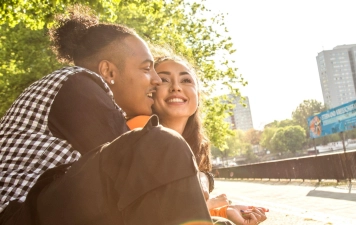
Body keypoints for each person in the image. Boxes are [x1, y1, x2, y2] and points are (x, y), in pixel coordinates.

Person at [0, 5, 212, 225]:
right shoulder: (78, 85)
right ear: (109, 72)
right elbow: (146, 169)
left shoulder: (81, 92)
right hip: (14, 214)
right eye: (146, 68)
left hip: (37, 211)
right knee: (162, 143)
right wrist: (204, 181)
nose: (156, 80)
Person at [150, 53, 268, 225]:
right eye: (164, 80)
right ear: (150, 90)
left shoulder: (193, 147)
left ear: (197, 95)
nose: (176, 87)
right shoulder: (140, 142)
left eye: (186, 81)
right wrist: (208, 204)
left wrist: (226, 211)